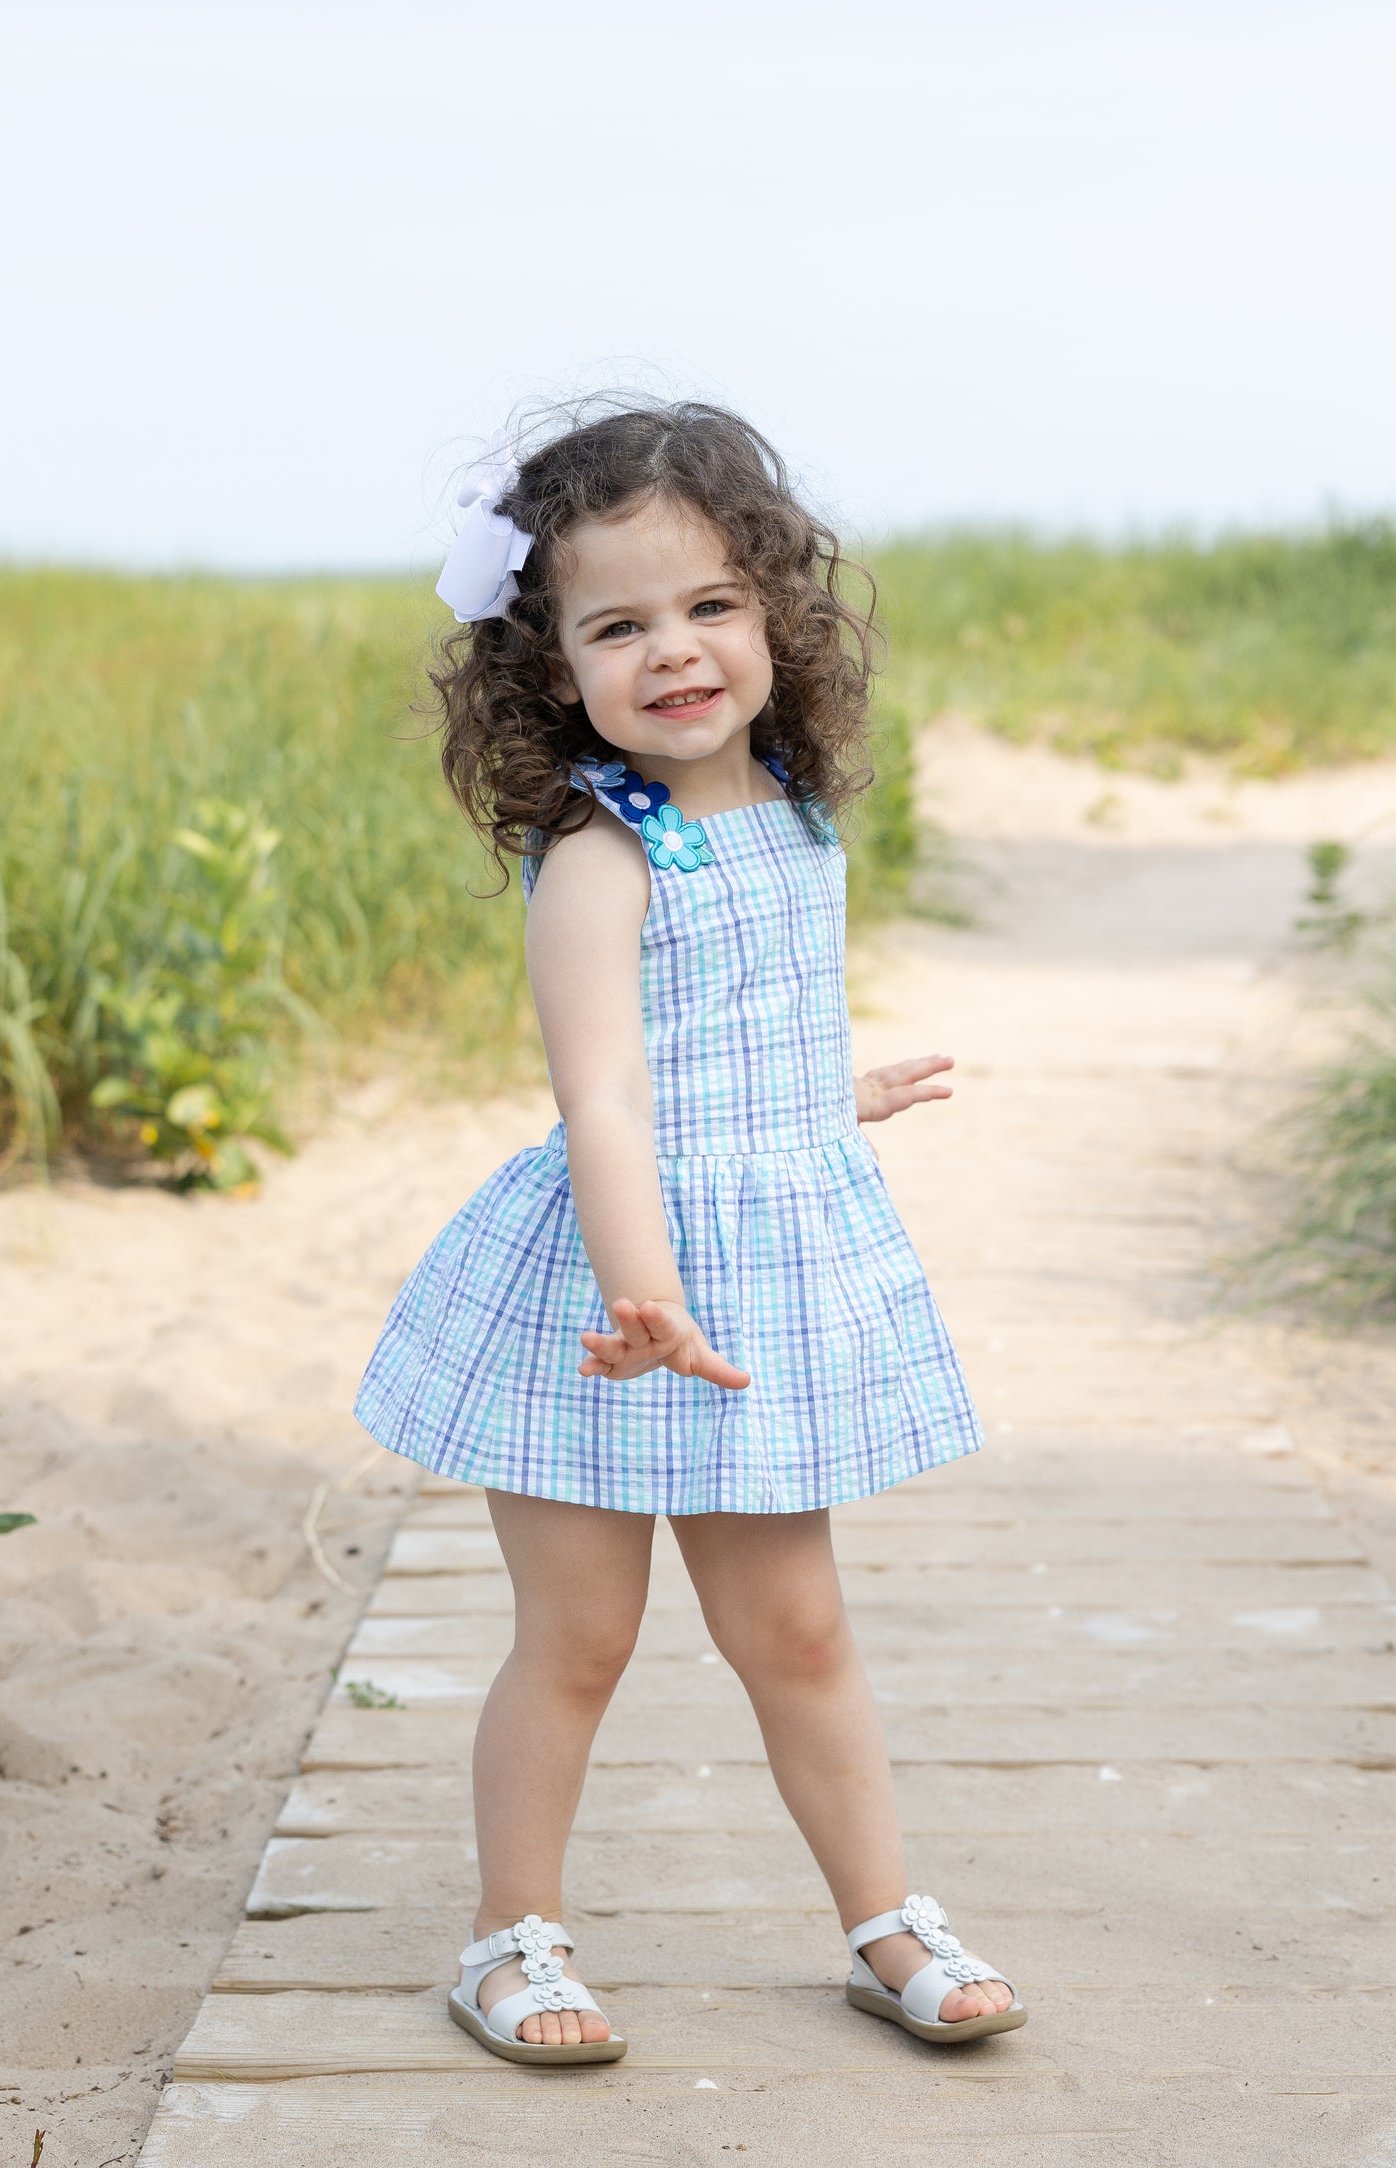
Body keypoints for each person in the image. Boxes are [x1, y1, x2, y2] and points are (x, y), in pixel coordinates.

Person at [354, 401, 1025, 2066]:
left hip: (760, 1282)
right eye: (617, 624)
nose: (675, 650)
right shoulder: (600, 855)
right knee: (577, 1638)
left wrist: (827, 1092)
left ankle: (880, 1921)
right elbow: (606, 1103)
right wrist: (643, 1292)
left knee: (792, 1627)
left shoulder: (792, 804)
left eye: (711, 605)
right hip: (608, 1288)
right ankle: (513, 1939)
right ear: (550, 665)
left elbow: (724, 1036)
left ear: (778, 617)